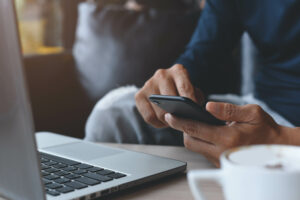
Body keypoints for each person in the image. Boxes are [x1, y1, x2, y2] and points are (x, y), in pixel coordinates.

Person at [86, 0, 300, 166]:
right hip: (267, 109)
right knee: (112, 117)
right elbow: (202, 54)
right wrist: (175, 83)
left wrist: (284, 139)